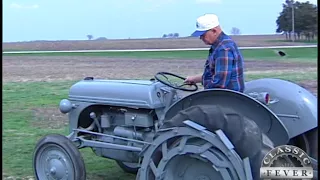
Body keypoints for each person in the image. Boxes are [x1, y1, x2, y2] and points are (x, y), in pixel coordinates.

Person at [184, 14, 245, 92]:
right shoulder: (218, 46)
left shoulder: (223, 49)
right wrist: (193, 79)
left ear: (214, 31)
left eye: (203, 35)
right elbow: (213, 75)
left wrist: (202, 94)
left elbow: (219, 84)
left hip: (227, 99)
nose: (200, 38)